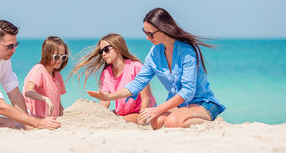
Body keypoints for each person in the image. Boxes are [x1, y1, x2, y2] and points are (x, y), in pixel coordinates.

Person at [88, 8, 225, 129]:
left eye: (150, 34)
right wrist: (110, 96)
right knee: (156, 121)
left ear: (164, 29)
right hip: (179, 106)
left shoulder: (187, 51)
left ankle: (212, 122)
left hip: (203, 103)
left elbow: (188, 92)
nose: (148, 38)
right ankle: (182, 118)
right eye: (145, 33)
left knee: (172, 122)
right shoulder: (155, 53)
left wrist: (158, 109)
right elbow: (138, 82)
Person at [71, 33, 156, 123]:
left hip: (143, 111)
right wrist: (97, 113)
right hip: (123, 113)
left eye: (106, 50)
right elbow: (105, 101)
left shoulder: (136, 67)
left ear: (118, 48)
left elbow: (146, 98)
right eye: (101, 52)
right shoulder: (106, 73)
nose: (103, 54)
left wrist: (142, 120)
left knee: (118, 120)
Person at [22, 36, 68, 118]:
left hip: (50, 118)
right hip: (34, 117)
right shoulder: (39, 70)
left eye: (63, 57)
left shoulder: (57, 75)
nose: (60, 60)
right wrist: (45, 99)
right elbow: (28, 91)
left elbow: (58, 101)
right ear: (47, 55)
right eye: (57, 57)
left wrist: (62, 115)